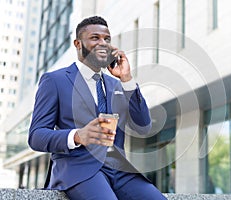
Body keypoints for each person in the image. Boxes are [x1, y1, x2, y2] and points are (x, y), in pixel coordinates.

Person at [28, 16, 166, 200]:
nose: (103, 43)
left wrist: (126, 79)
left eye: (107, 39)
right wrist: (77, 135)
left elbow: (143, 126)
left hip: (119, 169)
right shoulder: (55, 81)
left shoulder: (116, 85)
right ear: (78, 44)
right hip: (78, 170)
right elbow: (36, 136)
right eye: (95, 38)